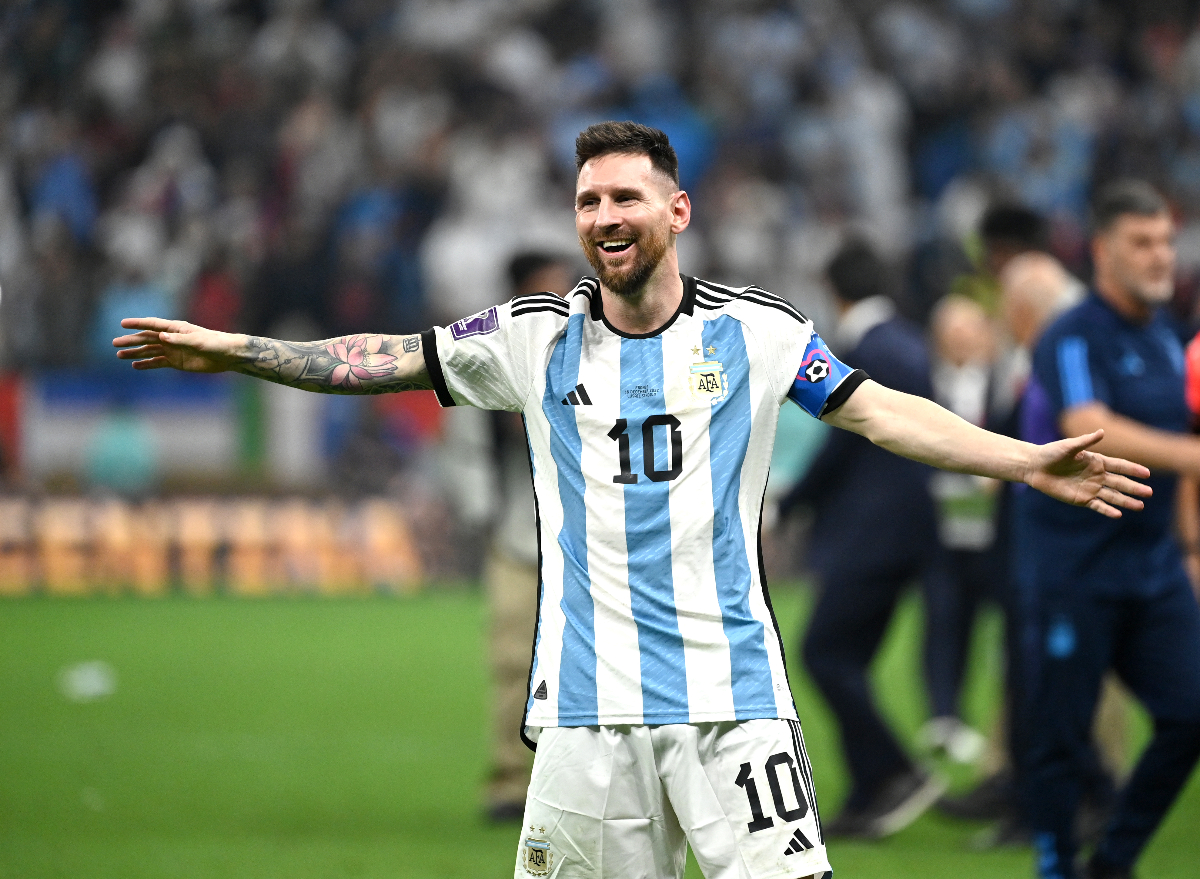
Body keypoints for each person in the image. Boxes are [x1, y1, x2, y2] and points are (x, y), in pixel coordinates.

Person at [113, 122, 1150, 879]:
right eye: (588, 202)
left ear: (675, 210)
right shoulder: (531, 337)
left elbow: (882, 412)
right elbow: (379, 357)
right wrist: (237, 351)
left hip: (732, 705)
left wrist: (1020, 460)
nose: (604, 217)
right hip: (586, 723)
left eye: (625, 198)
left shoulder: (755, 331)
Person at [1014, 180, 1200, 879]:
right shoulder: (1072, 334)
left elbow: (1180, 449)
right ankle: (1056, 863)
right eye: (1142, 243)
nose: (1161, 257)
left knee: (1189, 715)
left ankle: (1112, 861)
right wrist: (1193, 454)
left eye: (1166, 241)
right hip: (1074, 570)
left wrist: (1189, 547)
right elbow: (1085, 425)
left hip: (1152, 570)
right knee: (1062, 736)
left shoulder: (1164, 337)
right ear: (1102, 251)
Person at [776, 238, 951, 838]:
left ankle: (895, 772)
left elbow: (844, 442)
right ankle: (869, 791)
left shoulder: (865, 350)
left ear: (834, 289)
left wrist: (792, 502)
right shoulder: (908, 341)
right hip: (905, 531)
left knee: (823, 654)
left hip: (872, 535)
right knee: (843, 658)